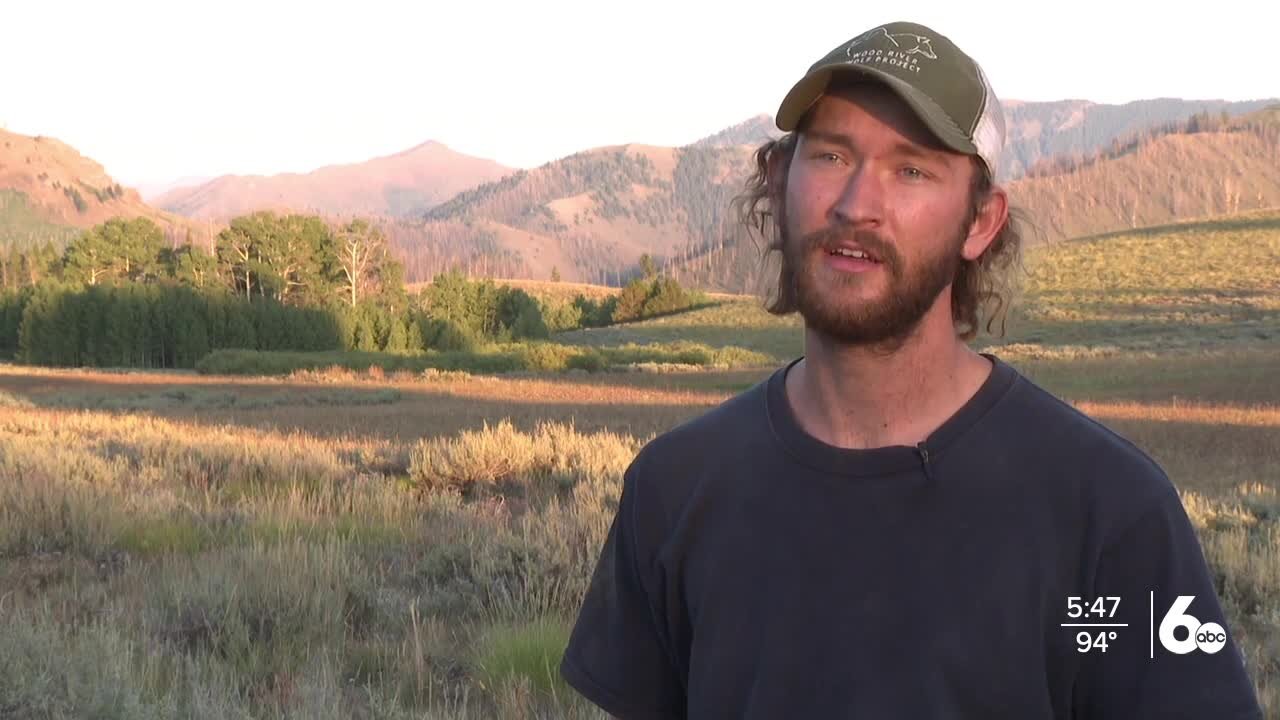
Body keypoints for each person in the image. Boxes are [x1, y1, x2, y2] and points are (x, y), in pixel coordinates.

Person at [560, 20, 1264, 719]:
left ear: (982, 221)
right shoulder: (675, 489)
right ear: (779, 182)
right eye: (831, 156)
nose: (857, 204)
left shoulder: (1108, 513)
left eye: (912, 170)